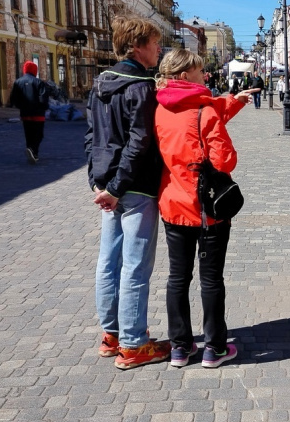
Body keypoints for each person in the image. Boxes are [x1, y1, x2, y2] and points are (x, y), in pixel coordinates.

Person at [154, 49, 254, 368]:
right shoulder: (204, 111)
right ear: (185, 77)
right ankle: (214, 348)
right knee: (211, 280)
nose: (204, 75)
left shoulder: (157, 109)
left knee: (177, 278)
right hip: (207, 209)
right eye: (199, 71)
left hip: (172, 205)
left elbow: (204, 114)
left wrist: (233, 101)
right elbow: (225, 160)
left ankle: (181, 348)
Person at [85, 16, 170, 370]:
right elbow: (139, 143)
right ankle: (134, 344)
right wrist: (117, 187)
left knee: (109, 263)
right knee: (135, 265)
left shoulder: (101, 83)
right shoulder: (141, 87)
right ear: (137, 46)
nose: (159, 49)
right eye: (154, 43)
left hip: (108, 185)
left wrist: (99, 182)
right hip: (134, 186)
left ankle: (112, 334)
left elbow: (91, 136)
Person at [10, 60, 51, 164]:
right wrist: (44, 108)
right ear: (34, 70)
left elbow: (13, 99)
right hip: (38, 114)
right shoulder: (39, 82)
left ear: (25, 69)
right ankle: (33, 150)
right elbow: (43, 98)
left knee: (28, 134)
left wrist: (21, 107)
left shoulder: (18, 82)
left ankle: (32, 152)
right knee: (39, 134)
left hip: (25, 113)